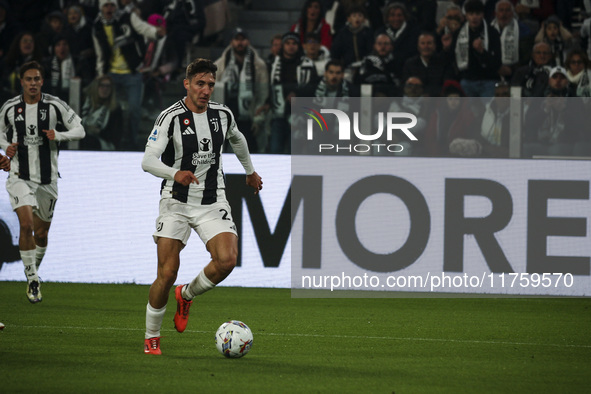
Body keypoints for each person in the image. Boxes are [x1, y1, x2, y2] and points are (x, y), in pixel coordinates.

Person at [141, 58, 263, 355]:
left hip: (212, 200)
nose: (206, 90)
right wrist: (175, 173)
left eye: (210, 84)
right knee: (166, 273)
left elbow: (238, 139)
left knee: (227, 260)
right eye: (200, 83)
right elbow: (148, 161)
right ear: (187, 84)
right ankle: (151, 336)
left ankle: (188, 294)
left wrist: (250, 171)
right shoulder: (169, 117)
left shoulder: (222, 114)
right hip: (176, 201)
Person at [0, 61, 85, 303]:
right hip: (19, 176)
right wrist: (5, 147)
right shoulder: (10, 107)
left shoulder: (54, 105)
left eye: (37, 79)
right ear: (22, 82)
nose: (33, 83)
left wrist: (59, 135)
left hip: (48, 179)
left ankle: (32, 273)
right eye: (29, 79)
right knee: (26, 225)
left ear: (42, 81)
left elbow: (80, 130)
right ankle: (33, 279)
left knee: (42, 233)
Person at [92, 0, 166, 150]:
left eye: (112, 5)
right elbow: (99, 50)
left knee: (134, 109)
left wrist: (155, 32)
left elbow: (142, 27)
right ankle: (115, 142)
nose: (109, 8)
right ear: (101, 8)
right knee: (113, 110)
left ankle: (132, 142)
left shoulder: (127, 17)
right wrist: (101, 73)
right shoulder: (97, 25)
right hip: (111, 74)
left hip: (132, 72)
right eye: (106, 5)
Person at [214, 27, 269, 153]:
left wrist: (258, 119)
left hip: (248, 116)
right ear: (231, 42)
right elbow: (212, 91)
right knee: (219, 155)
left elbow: (263, 93)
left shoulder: (258, 65)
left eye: (243, 39)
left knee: (251, 154)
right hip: (225, 116)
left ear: (248, 41)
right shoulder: (220, 64)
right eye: (236, 39)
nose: (240, 43)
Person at [268, 32, 317, 153]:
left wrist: (296, 93)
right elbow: (270, 88)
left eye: (294, 43)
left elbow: (313, 88)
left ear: (298, 46)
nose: (291, 46)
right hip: (279, 114)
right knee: (275, 149)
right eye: (288, 43)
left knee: (294, 150)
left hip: (301, 114)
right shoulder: (273, 64)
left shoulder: (308, 64)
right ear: (283, 46)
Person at [453, 0, 502, 98]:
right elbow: (452, 57)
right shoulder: (459, 34)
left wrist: (482, 52)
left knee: (488, 112)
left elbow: (497, 62)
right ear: (466, 16)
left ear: (482, 15)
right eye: (471, 14)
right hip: (467, 80)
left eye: (477, 14)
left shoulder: (492, 33)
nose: (474, 17)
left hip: (488, 80)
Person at [402, 32, 456, 97]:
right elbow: (405, 86)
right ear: (418, 47)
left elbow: (447, 86)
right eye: (423, 43)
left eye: (429, 43)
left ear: (435, 46)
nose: (426, 46)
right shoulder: (410, 64)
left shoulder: (444, 63)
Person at [80, 74, 124, 150]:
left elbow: (116, 136)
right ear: (95, 87)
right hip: (83, 137)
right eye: (102, 86)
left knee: (89, 141)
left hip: (104, 142)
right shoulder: (84, 103)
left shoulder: (115, 109)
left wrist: (98, 131)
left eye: (108, 86)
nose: (105, 89)